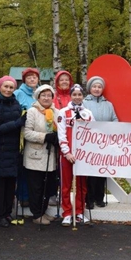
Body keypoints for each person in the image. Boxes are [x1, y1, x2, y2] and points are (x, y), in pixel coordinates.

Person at [0, 76, 26, 227]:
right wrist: (17, 123)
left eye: (11, 87)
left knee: (11, 184)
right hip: (1, 149)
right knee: (1, 185)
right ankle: (0, 215)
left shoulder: (16, 103)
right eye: (6, 87)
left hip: (14, 149)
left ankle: (8, 212)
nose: (8, 90)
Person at [57, 84, 94, 226]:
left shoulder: (88, 113)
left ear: (83, 96)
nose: (77, 97)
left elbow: (95, 132)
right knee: (66, 184)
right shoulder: (63, 112)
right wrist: (67, 152)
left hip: (82, 155)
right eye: (74, 94)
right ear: (71, 96)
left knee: (81, 185)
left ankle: (79, 211)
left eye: (80, 95)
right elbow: (61, 134)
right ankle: (66, 212)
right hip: (67, 154)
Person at [23, 84, 59, 225]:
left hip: (51, 155)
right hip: (35, 155)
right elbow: (27, 133)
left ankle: (43, 212)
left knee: (47, 186)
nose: (46, 98)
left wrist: (57, 137)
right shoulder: (32, 111)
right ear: (38, 97)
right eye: (43, 95)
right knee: (36, 187)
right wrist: (45, 137)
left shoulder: (56, 111)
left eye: (49, 95)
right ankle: (36, 214)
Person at [83, 76, 118, 209]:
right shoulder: (84, 103)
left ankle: (99, 197)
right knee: (91, 173)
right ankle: (89, 199)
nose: (97, 89)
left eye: (99, 87)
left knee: (102, 172)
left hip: (105, 143)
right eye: (94, 86)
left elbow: (115, 119)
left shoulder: (108, 104)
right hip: (90, 143)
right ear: (90, 88)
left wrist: (112, 129)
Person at [14, 68, 40, 210]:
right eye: (29, 77)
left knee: (33, 169)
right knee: (22, 168)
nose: (32, 79)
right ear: (24, 79)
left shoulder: (39, 94)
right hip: (21, 136)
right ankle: (23, 196)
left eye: (34, 77)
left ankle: (32, 196)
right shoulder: (18, 93)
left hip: (37, 137)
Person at [49, 70, 74, 206]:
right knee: (56, 167)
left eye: (67, 79)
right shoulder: (53, 97)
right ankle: (54, 193)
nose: (64, 82)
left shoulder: (74, 96)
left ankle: (70, 195)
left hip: (71, 138)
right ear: (57, 82)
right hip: (56, 137)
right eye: (61, 80)